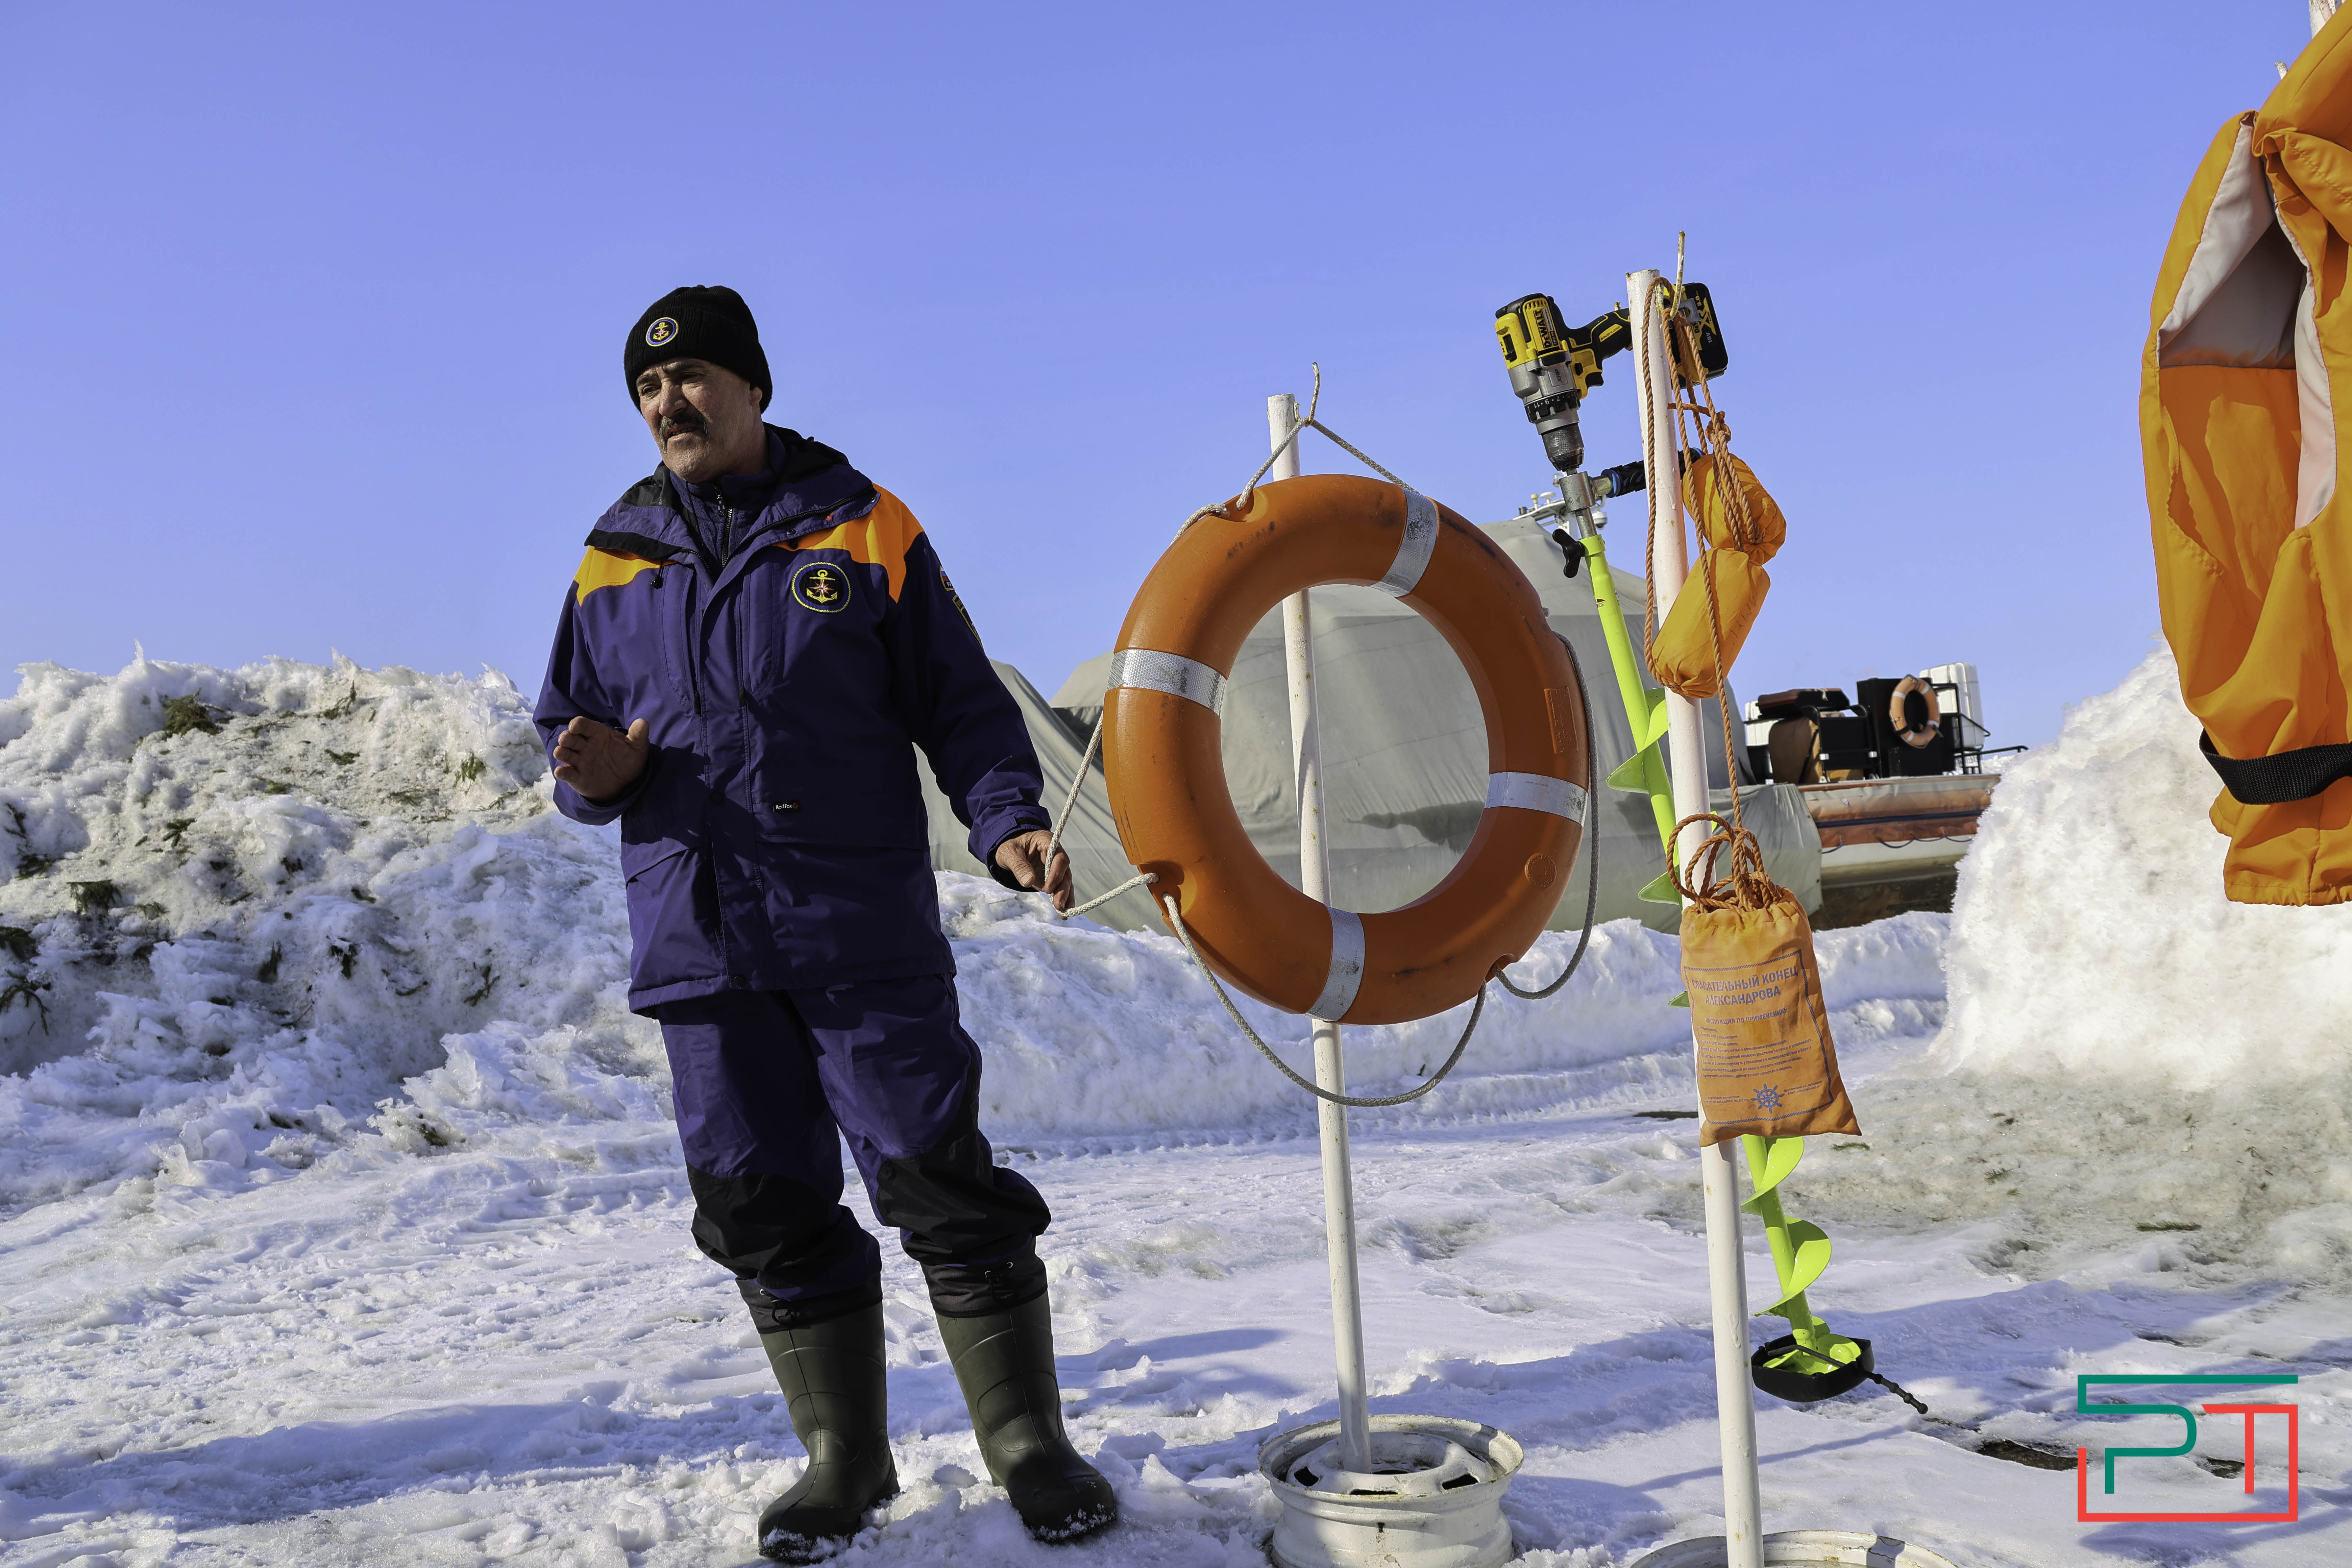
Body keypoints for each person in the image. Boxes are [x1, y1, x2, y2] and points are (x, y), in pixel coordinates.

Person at [534, 285, 1114, 1561]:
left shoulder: (864, 527)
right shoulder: (612, 555)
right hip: (698, 934)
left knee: (932, 1171)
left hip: (856, 924)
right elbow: (568, 726)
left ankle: (1027, 1443)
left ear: (753, 387)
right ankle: (842, 1461)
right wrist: (597, 779)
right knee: (755, 1195)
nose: (667, 404)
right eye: (647, 390)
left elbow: (960, 704)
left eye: (690, 379)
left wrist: (1007, 817)